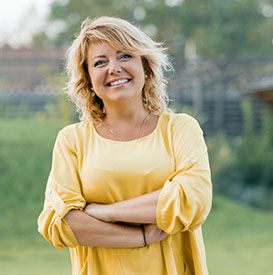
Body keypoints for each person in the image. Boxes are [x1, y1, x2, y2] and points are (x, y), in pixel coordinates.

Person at [37, 16, 212, 275]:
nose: (114, 68)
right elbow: (58, 222)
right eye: (100, 62)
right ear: (88, 79)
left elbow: (192, 200)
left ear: (145, 65)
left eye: (125, 56)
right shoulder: (72, 140)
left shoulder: (180, 129)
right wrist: (140, 237)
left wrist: (105, 213)